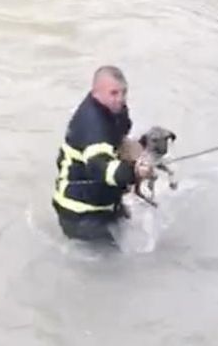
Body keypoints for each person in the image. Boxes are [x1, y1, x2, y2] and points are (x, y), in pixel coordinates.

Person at [52, 65, 152, 243]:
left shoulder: (114, 110)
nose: (120, 99)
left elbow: (119, 141)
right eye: (113, 93)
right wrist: (135, 172)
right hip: (81, 214)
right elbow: (101, 169)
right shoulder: (93, 125)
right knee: (117, 267)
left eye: (124, 92)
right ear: (96, 92)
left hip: (105, 204)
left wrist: (145, 147)